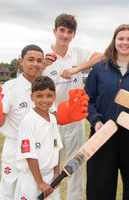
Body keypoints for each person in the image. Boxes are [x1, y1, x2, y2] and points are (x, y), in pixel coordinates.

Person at [84, 24, 129, 200]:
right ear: (114, 41)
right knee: (100, 184)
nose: (125, 42)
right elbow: (88, 100)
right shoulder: (100, 67)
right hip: (102, 132)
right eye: (121, 38)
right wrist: (96, 122)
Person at [42, 13, 102, 200]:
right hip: (52, 120)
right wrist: (42, 64)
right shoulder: (45, 56)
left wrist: (77, 69)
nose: (65, 35)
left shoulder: (76, 52)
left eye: (69, 32)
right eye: (62, 30)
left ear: (74, 34)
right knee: (53, 167)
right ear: (54, 31)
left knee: (75, 166)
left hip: (75, 120)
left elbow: (101, 56)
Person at [0, 44, 45, 199]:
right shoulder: (10, 87)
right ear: (21, 61)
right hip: (16, 146)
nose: (35, 64)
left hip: (39, 147)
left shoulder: (44, 85)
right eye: (31, 59)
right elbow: (0, 122)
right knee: (10, 186)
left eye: (39, 60)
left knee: (35, 188)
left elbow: (52, 116)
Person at [14, 76, 62, 200]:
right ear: (32, 97)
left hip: (51, 177)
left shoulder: (52, 119)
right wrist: (40, 182)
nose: (44, 100)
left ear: (54, 96)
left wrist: (56, 173)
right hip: (32, 178)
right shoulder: (28, 121)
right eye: (39, 96)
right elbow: (30, 156)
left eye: (49, 95)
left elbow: (57, 147)